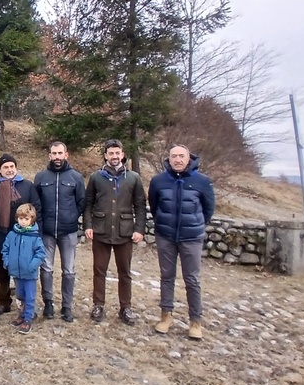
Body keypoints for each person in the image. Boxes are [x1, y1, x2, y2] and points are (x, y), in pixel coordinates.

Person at [148, 144, 215, 340]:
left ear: (188, 159)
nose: (177, 160)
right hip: (165, 236)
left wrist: (194, 224)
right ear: (169, 159)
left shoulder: (202, 181)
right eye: (174, 156)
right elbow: (154, 205)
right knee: (166, 276)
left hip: (191, 238)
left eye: (181, 156)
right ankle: (166, 316)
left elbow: (208, 209)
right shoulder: (158, 181)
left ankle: (195, 321)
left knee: (192, 279)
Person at [83, 139, 146, 326]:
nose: (114, 156)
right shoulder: (96, 177)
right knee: (99, 270)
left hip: (124, 232)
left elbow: (140, 206)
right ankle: (98, 304)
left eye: (117, 153)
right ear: (105, 156)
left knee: (124, 272)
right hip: (101, 231)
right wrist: (88, 225)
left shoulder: (133, 178)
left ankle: (125, 307)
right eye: (111, 153)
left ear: (122, 154)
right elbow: (88, 204)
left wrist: (139, 229)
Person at [0, 154, 42, 316]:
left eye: (12, 166)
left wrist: (36, 233)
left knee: (24, 272)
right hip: (0, 236)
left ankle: (25, 304)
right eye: (5, 167)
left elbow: (37, 208)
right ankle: (3, 302)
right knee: (1, 272)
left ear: (16, 168)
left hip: (25, 237)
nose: (9, 170)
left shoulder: (27, 186)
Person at [34, 141, 86, 322]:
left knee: (69, 270)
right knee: (46, 268)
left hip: (68, 231)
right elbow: (36, 203)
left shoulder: (76, 177)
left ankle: (67, 306)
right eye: (54, 153)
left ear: (66, 154)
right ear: (49, 155)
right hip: (47, 231)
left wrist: (72, 217)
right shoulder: (41, 177)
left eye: (60, 153)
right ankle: (48, 303)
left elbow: (81, 202)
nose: (57, 157)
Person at [2, 203, 45, 334]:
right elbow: (5, 249)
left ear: (32, 219)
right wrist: (7, 263)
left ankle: (28, 318)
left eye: (26, 219)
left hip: (29, 273)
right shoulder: (12, 235)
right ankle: (22, 314)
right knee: (20, 295)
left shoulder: (35, 237)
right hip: (16, 272)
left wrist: (32, 266)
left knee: (29, 296)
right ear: (17, 218)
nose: (23, 221)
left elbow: (40, 254)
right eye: (21, 218)